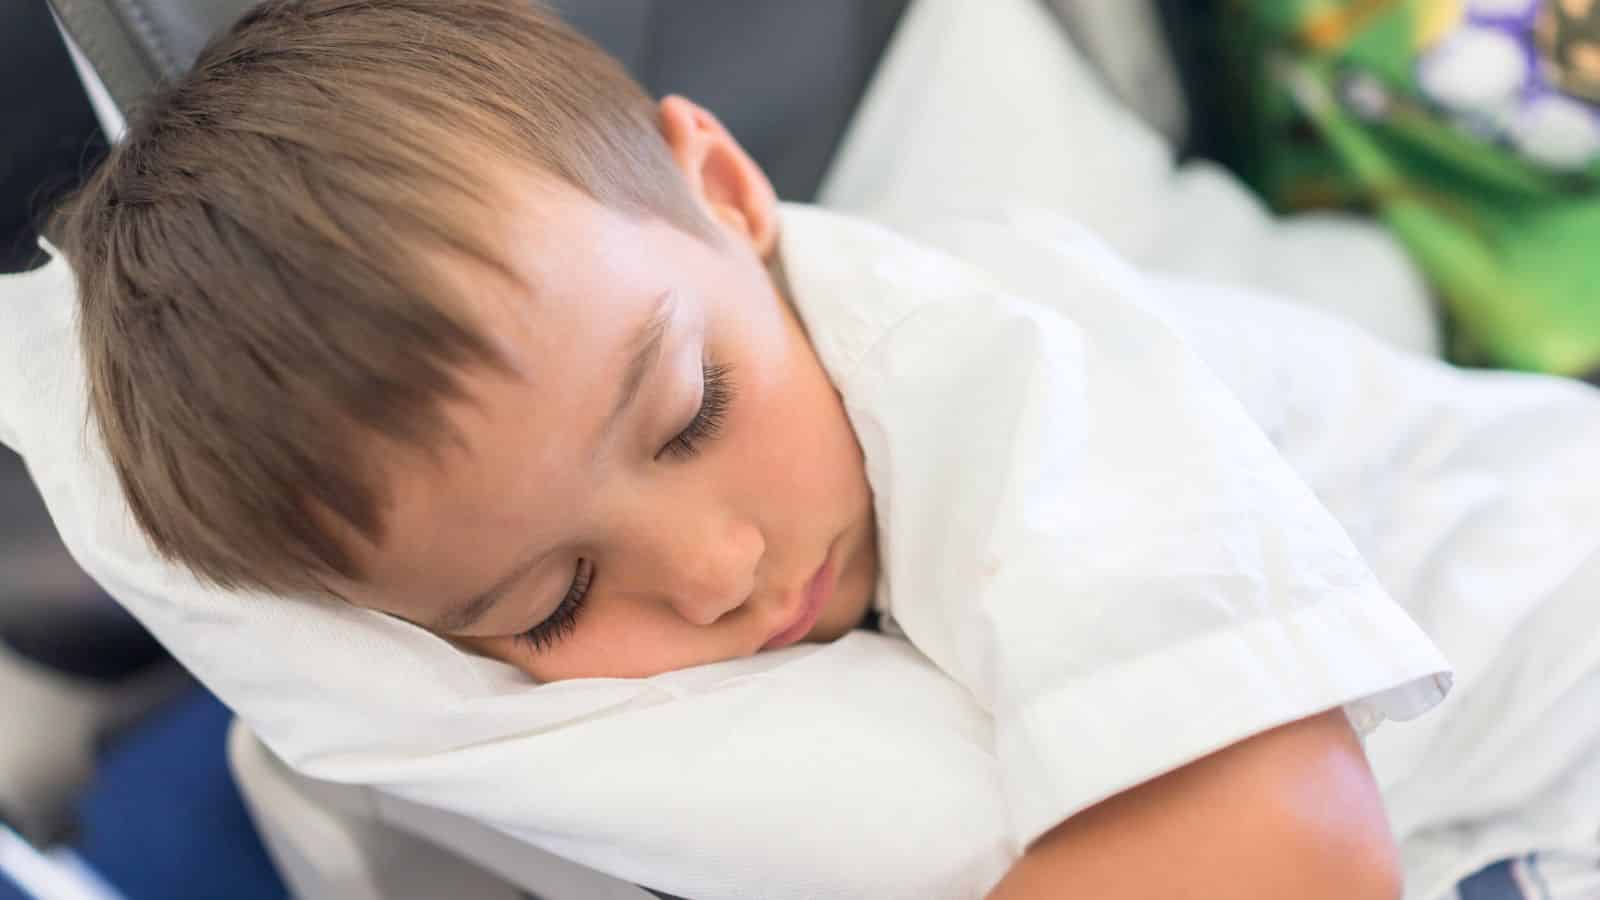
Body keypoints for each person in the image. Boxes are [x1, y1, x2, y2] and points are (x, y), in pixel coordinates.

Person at [43, 1, 1600, 898]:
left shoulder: (997, 356)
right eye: (552, 605)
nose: (717, 570)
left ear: (720, 187)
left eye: (694, 414)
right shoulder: (445, 729)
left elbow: (1283, 854)